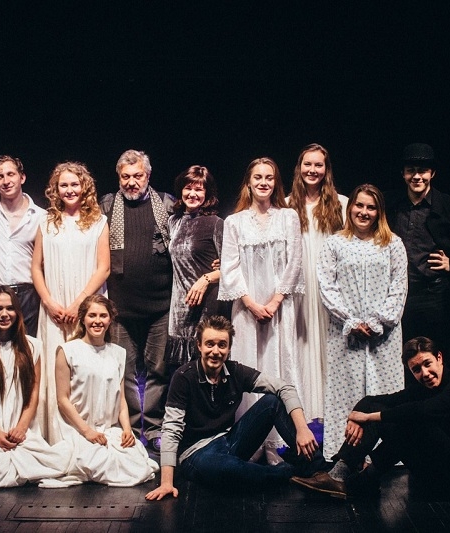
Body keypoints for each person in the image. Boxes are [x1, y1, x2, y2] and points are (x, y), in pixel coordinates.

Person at [144, 315, 322, 501]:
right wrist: (166, 482)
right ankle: (290, 471)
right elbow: (171, 429)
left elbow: (284, 387)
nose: (215, 351)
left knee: (272, 402)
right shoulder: (183, 377)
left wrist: (302, 429)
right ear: (199, 346)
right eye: (209, 344)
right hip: (196, 453)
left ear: (229, 349)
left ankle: (320, 470)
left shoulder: (236, 371)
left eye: (222, 345)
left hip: (229, 441)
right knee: (229, 470)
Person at [290, 336, 450, 500]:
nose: (425, 373)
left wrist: (370, 417)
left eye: (427, 364)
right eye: (417, 370)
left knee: (409, 420)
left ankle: (356, 480)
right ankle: (343, 473)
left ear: (439, 358)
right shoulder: (422, 388)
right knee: (393, 415)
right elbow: (376, 401)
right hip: (435, 474)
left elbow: (422, 410)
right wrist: (355, 416)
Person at [218, 157, 304, 464]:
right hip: (247, 309)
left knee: (280, 367)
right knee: (248, 368)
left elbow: (295, 262)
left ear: (275, 182)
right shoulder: (234, 222)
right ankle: (252, 442)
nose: (263, 182)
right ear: (249, 182)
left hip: (279, 309)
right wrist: (252, 304)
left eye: (269, 177)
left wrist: (274, 302)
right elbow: (229, 267)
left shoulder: (288, 217)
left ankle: (279, 442)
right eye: (258, 177)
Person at [317, 184, 408, 458]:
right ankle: (343, 453)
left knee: (385, 392)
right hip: (346, 333)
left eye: (371, 207)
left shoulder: (393, 244)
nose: (364, 212)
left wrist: (378, 322)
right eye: (359, 205)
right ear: (350, 207)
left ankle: (385, 455)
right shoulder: (334, 243)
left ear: (379, 212)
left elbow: (399, 287)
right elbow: (327, 287)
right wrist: (351, 321)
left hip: (384, 335)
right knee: (346, 393)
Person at [98, 149, 175, 451]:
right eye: (125, 177)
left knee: (157, 370)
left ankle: (154, 428)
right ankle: (129, 427)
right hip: (120, 309)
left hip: (161, 307)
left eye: (137, 176)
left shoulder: (167, 204)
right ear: (118, 177)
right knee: (125, 372)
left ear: (148, 175)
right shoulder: (107, 204)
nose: (131, 182)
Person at [0, 286, 72, 489]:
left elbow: (34, 390)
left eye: (10, 308)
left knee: (58, 462)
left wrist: (22, 427)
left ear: (18, 312)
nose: (4, 314)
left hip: (21, 432)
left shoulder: (32, 346)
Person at [32, 161, 110, 444]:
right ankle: (56, 437)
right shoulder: (46, 223)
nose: (69, 190)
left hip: (86, 308)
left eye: (74, 184)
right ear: (55, 189)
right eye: (63, 185)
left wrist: (80, 304)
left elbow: (103, 268)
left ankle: (89, 431)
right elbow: (36, 267)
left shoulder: (99, 222)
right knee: (55, 369)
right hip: (53, 309)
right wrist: (49, 303)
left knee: (86, 367)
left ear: (84, 187)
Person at [51, 295, 159, 487]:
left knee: (136, 464)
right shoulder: (67, 350)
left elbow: (121, 400)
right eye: (92, 315)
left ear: (110, 320)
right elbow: (62, 399)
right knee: (96, 462)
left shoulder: (117, 353)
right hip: (77, 429)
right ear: (83, 318)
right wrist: (87, 432)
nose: (97, 321)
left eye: (103, 315)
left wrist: (127, 429)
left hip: (108, 429)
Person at [386, 143, 450, 377]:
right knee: (401, 356)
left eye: (423, 171)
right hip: (398, 295)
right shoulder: (390, 204)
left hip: (435, 295)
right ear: (403, 173)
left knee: (437, 354)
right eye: (411, 170)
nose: (417, 176)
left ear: (432, 173)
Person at [286, 143, 348, 422]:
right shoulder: (287, 205)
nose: (312, 170)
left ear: (326, 169)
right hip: (300, 286)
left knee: (332, 343)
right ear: (299, 168)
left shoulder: (342, 203)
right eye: (307, 164)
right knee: (302, 342)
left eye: (318, 165)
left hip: (331, 286)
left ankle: (335, 407)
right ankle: (306, 408)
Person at [165, 165, 228, 374]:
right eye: (188, 188)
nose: (192, 194)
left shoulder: (215, 223)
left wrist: (206, 279)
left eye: (199, 189)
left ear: (207, 193)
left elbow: (232, 267)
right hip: (179, 308)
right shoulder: (173, 222)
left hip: (206, 305)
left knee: (206, 366)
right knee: (181, 372)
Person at [0, 155, 47, 336]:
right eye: (0, 177)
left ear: (22, 177)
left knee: (28, 346)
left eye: (11, 174)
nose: (6, 181)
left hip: (28, 294)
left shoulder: (41, 216)